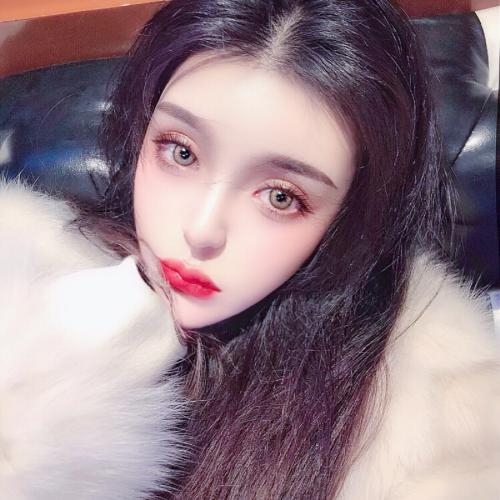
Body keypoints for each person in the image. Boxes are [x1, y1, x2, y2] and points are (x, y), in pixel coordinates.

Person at [1, 0, 499, 498]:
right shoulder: (22, 262)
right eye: (181, 152)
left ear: (348, 217)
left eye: (281, 197)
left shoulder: (434, 424)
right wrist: (51, 380)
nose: (201, 230)